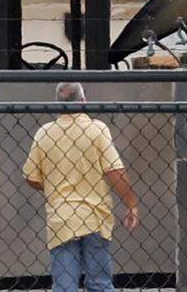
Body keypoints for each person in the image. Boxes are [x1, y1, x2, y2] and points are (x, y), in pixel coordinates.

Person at [23, 82, 141, 292]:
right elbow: (115, 171)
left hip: (62, 218)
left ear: (57, 104)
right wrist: (131, 203)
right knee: (100, 283)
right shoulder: (97, 129)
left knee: (65, 285)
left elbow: (30, 177)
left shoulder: (44, 133)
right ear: (84, 100)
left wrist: (53, 186)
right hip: (95, 216)